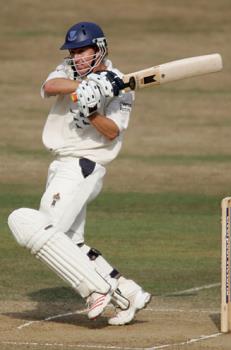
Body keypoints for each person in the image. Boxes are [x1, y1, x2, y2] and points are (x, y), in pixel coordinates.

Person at [8, 21, 151, 326]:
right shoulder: (68, 70)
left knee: (43, 230)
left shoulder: (121, 87)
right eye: (73, 52)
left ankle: (95, 290)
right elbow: (49, 88)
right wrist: (84, 87)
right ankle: (129, 293)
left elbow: (112, 132)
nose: (77, 58)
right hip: (60, 164)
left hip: (83, 165)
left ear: (99, 49)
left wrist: (93, 111)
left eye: (82, 52)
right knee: (69, 242)